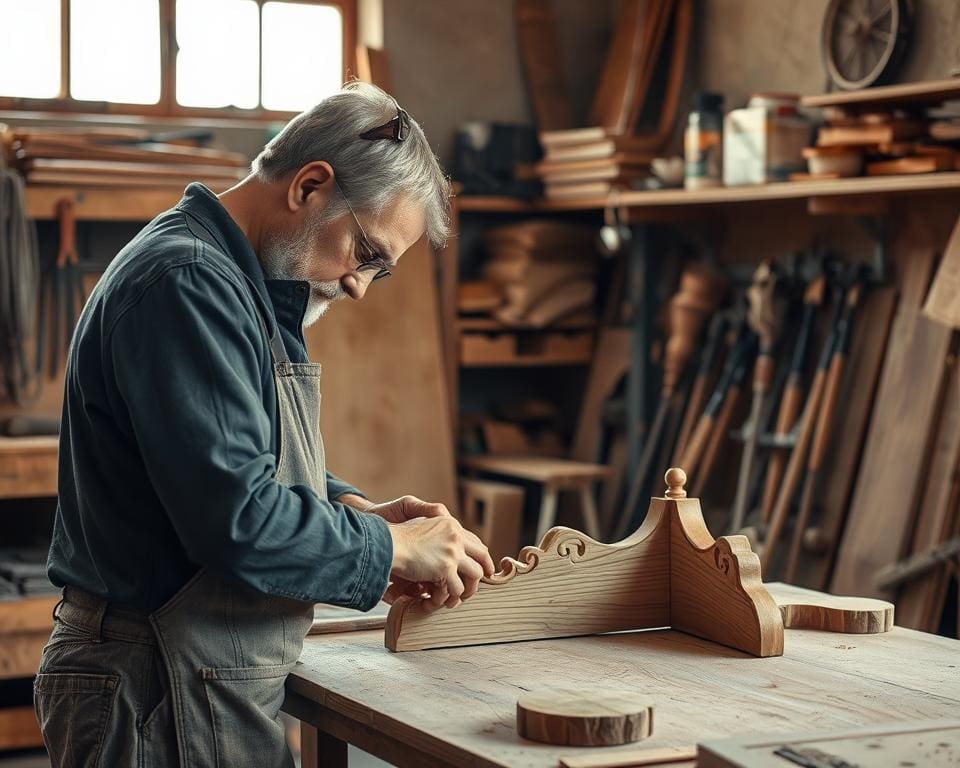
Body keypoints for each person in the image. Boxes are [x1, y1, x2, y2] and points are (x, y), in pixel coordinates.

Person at [34, 81, 494, 768]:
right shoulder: (188, 281)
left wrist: (351, 508)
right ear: (310, 185)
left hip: (194, 680)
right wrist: (390, 549)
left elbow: (235, 459)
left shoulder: (236, 284)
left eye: (380, 272)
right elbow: (237, 521)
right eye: (365, 252)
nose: (359, 286)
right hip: (156, 688)